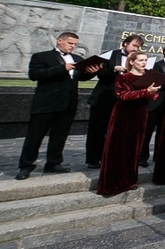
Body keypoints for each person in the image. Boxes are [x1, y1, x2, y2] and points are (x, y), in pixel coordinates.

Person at [16, 31, 101, 180]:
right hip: (45, 103)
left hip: (67, 104)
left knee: (59, 136)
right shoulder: (42, 56)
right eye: (70, 43)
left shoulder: (77, 59)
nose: (72, 47)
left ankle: (54, 163)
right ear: (59, 41)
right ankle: (26, 166)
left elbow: (81, 77)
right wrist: (62, 68)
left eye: (75, 44)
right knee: (35, 136)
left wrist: (92, 72)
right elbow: (35, 75)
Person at [97, 52, 160, 196]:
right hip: (124, 115)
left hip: (140, 114)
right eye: (140, 60)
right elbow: (123, 95)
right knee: (119, 147)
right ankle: (113, 183)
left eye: (145, 60)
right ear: (132, 62)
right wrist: (146, 91)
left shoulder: (148, 77)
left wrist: (152, 92)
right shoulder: (124, 77)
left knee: (134, 148)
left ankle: (129, 181)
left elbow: (153, 97)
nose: (144, 63)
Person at [86, 34, 144, 168]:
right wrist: (114, 69)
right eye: (134, 45)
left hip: (125, 100)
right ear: (125, 44)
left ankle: (111, 157)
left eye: (139, 47)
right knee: (98, 129)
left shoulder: (138, 59)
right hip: (105, 97)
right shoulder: (110, 55)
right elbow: (100, 74)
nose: (136, 49)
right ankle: (94, 159)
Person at [139, 44, 165, 168]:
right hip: (155, 102)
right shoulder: (156, 65)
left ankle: (159, 156)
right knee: (147, 131)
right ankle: (142, 157)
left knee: (163, 132)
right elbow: (152, 82)